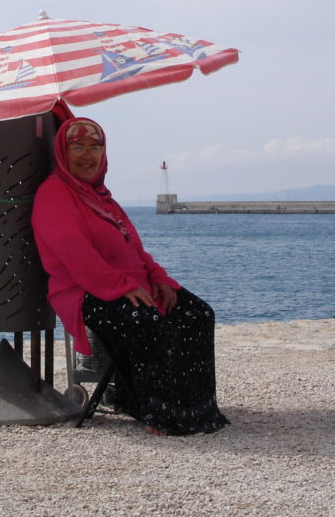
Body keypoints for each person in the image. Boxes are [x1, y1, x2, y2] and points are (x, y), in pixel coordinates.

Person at [32, 117, 229, 436]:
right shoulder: (54, 194)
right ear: (62, 154)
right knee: (145, 321)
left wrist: (162, 280)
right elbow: (75, 254)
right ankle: (155, 411)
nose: (87, 155)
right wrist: (121, 287)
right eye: (78, 147)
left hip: (133, 285)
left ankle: (194, 408)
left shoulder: (102, 198)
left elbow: (134, 250)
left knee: (197, 314)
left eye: (95, 147)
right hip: (83, 292)